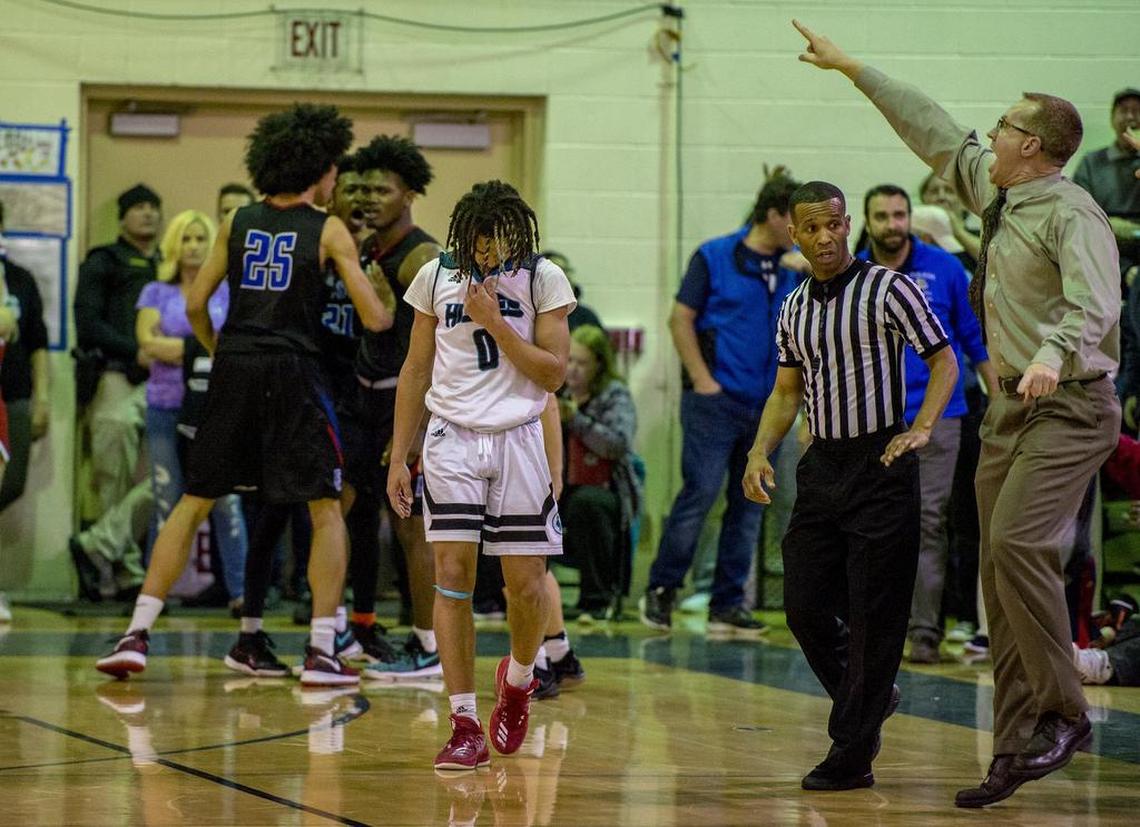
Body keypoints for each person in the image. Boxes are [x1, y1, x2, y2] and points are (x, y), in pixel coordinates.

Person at [793, 20, 1122, 807]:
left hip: (1069, 405)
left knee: (1013, 545)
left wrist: (1050, 354)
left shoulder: (1069, 212)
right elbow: (934, 128)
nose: (994, 130)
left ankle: (1065, 711)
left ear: (1035, 146)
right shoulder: (997, 191)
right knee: (998, 574)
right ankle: (1016, 745)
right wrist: (853, 69)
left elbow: (1098, 303)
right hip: (1008, 413)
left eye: (1008, 124)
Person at [95, 103, 392, 686]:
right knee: (325, 506)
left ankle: (136, 633)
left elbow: (197, 305)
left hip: (234, 365)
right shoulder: (327, 228)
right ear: (319, 170)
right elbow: (376, 319)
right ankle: (322, 650)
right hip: (295, 373)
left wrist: (220, 349)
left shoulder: (239, 222)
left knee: (195, 498)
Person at [743, 180, 957, 792]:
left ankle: (851, 753)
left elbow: (944, 360)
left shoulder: (889, 289)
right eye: (811, 227)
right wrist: (759, 449)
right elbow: (787, 392)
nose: (825, 236)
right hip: (821, 464)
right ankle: (867, 699)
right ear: (795, 233)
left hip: (881, 464)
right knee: (803, 603)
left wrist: (922, 428)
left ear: (845, 224)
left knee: (874, 615)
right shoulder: (793, 306)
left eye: (834, 224)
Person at [387, 180, 575, 769]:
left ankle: (517, 680)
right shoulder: (435, 276)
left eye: (496, 244)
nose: (486, 254)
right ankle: (464, 720)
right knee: (452, 575)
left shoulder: (543, 278)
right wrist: (400, 453)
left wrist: (495, 322)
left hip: (519, 438)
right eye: (478, 242)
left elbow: (552, 375)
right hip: (451, 440)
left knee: (525, 586)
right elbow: (416, 368)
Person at [641, 173, 801, 635]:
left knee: (751, 500)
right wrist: (701, 379)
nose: (803, 231)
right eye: (795, 221)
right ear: (773, 216)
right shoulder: (715, 256)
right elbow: (680, 319)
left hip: (767, 404)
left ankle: (728, 603)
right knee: (700, 493)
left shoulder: (794, 267)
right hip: (715, 402)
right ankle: (662, 591)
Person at [856, 184, 997, 664]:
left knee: (929, 522)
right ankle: (873, 630)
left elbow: (975, 343)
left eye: (899, 215)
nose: (891, 225)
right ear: (868, 220)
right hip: (872, 421)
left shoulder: (943, 269)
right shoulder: (853, 274)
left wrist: (1001, 404)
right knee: (872, 526)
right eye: (882, 216)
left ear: (910, 218)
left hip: (939, 419)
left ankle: (924, 631)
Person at [347, 135, 444, 679]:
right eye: (364, 188)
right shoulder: (367, 246)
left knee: (414, 529)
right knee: (358, 514)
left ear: (409, 193)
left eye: (383, 189)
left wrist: (415, 431)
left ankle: (428, 645)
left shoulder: (422, 257)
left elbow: (439, 351)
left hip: (407, 404)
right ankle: (358, 626)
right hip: (367, 395)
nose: (372, 198)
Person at [135, 209, 247, 612]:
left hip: (216, 408)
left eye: (202, 238)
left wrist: (174, 346)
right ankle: (154, 596)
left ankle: (240, 592)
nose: (194, 247)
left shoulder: (226, 292)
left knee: (226, 502)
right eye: (186, 238)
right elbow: (146, 344)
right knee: (166, 499)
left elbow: (230, 341)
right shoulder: (155, 292)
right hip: (165, 405)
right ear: (174, 245)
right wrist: (200, 345)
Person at [71, 183, 163, 600]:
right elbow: (88, 325)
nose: (148, 214)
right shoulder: (103, 261)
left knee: (156, 479)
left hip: (161, 385)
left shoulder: (168, 266)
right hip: (113, 378)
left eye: (153, 208)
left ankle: (102, 551)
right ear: (122, 217)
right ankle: (117, 575)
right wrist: (136, 350)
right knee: (113, 479)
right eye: (138, 207)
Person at [557, 324, 641, 619]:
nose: (574, 370)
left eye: (582, 363)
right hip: (558, 483)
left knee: (587, 505)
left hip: (605, 490)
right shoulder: (554, 389)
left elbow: (618, 444)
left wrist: (576, 420)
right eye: (570, 361)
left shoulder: (614, 396)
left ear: (598, 365)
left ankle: (596, 599)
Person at [0, 202, 50, 513]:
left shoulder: (19, 279)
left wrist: (42, 399)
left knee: (12, 482)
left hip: (14, 395)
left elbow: (37, 343)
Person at [919, 173, 980, 268]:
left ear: (965, 202)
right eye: (934, 191)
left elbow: (994, 263)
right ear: (924, 199)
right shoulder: (913, 238)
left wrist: (958, 232)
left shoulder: (982, 237)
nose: (941, 196)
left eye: (949, 191)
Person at [539, 250, 603, 331]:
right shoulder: (529, 315)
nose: (567, 276)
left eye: (567, 270)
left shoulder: (585, 317)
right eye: (559, 270)